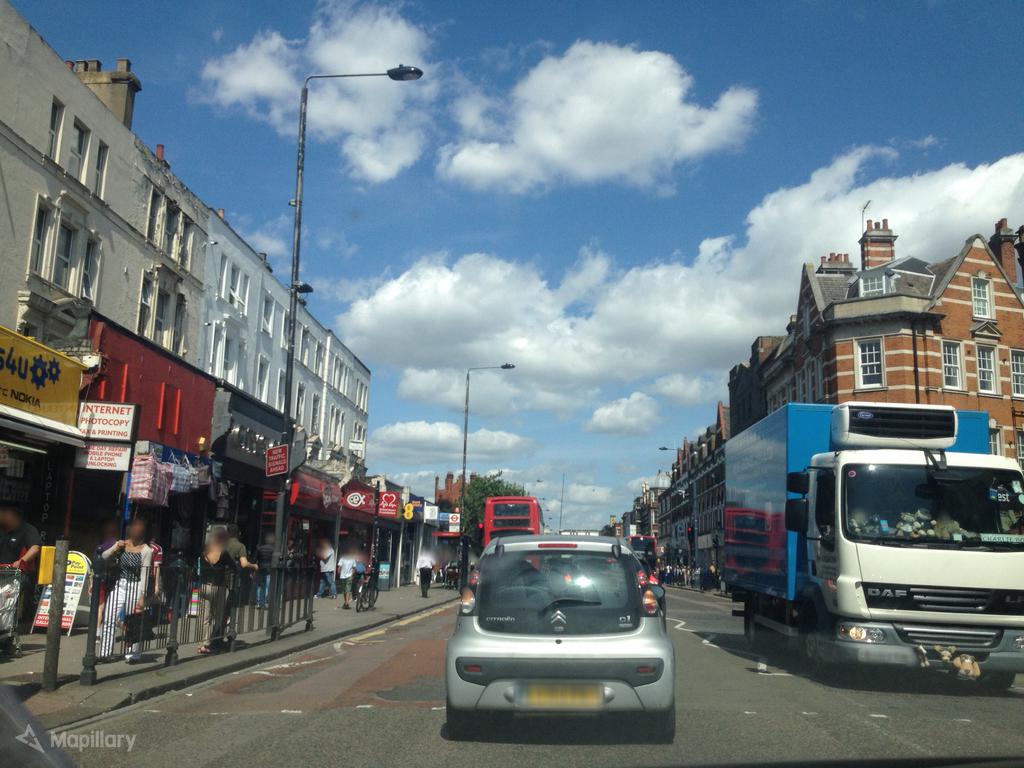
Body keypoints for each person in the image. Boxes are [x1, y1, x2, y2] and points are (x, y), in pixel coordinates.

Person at [98, 517, 153, 662]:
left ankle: (134, 653)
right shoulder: (122, 545)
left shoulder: (146, 550)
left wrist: (142, 596)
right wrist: (115, 547)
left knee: (133, 622)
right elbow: (103, 557)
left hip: (135, 587)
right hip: (120, 585)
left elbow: (145, 574)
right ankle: (105, 652)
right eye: (134, 527)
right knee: (109, 618)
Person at [254, 532, 275, 608]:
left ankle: (258, 602)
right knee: (267, 586)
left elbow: (255, 559)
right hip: (269, 568)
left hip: (260, 567)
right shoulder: (273, 549)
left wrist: (254, 569)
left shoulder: (260, 548)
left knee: (259, 585)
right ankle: (265, 602)